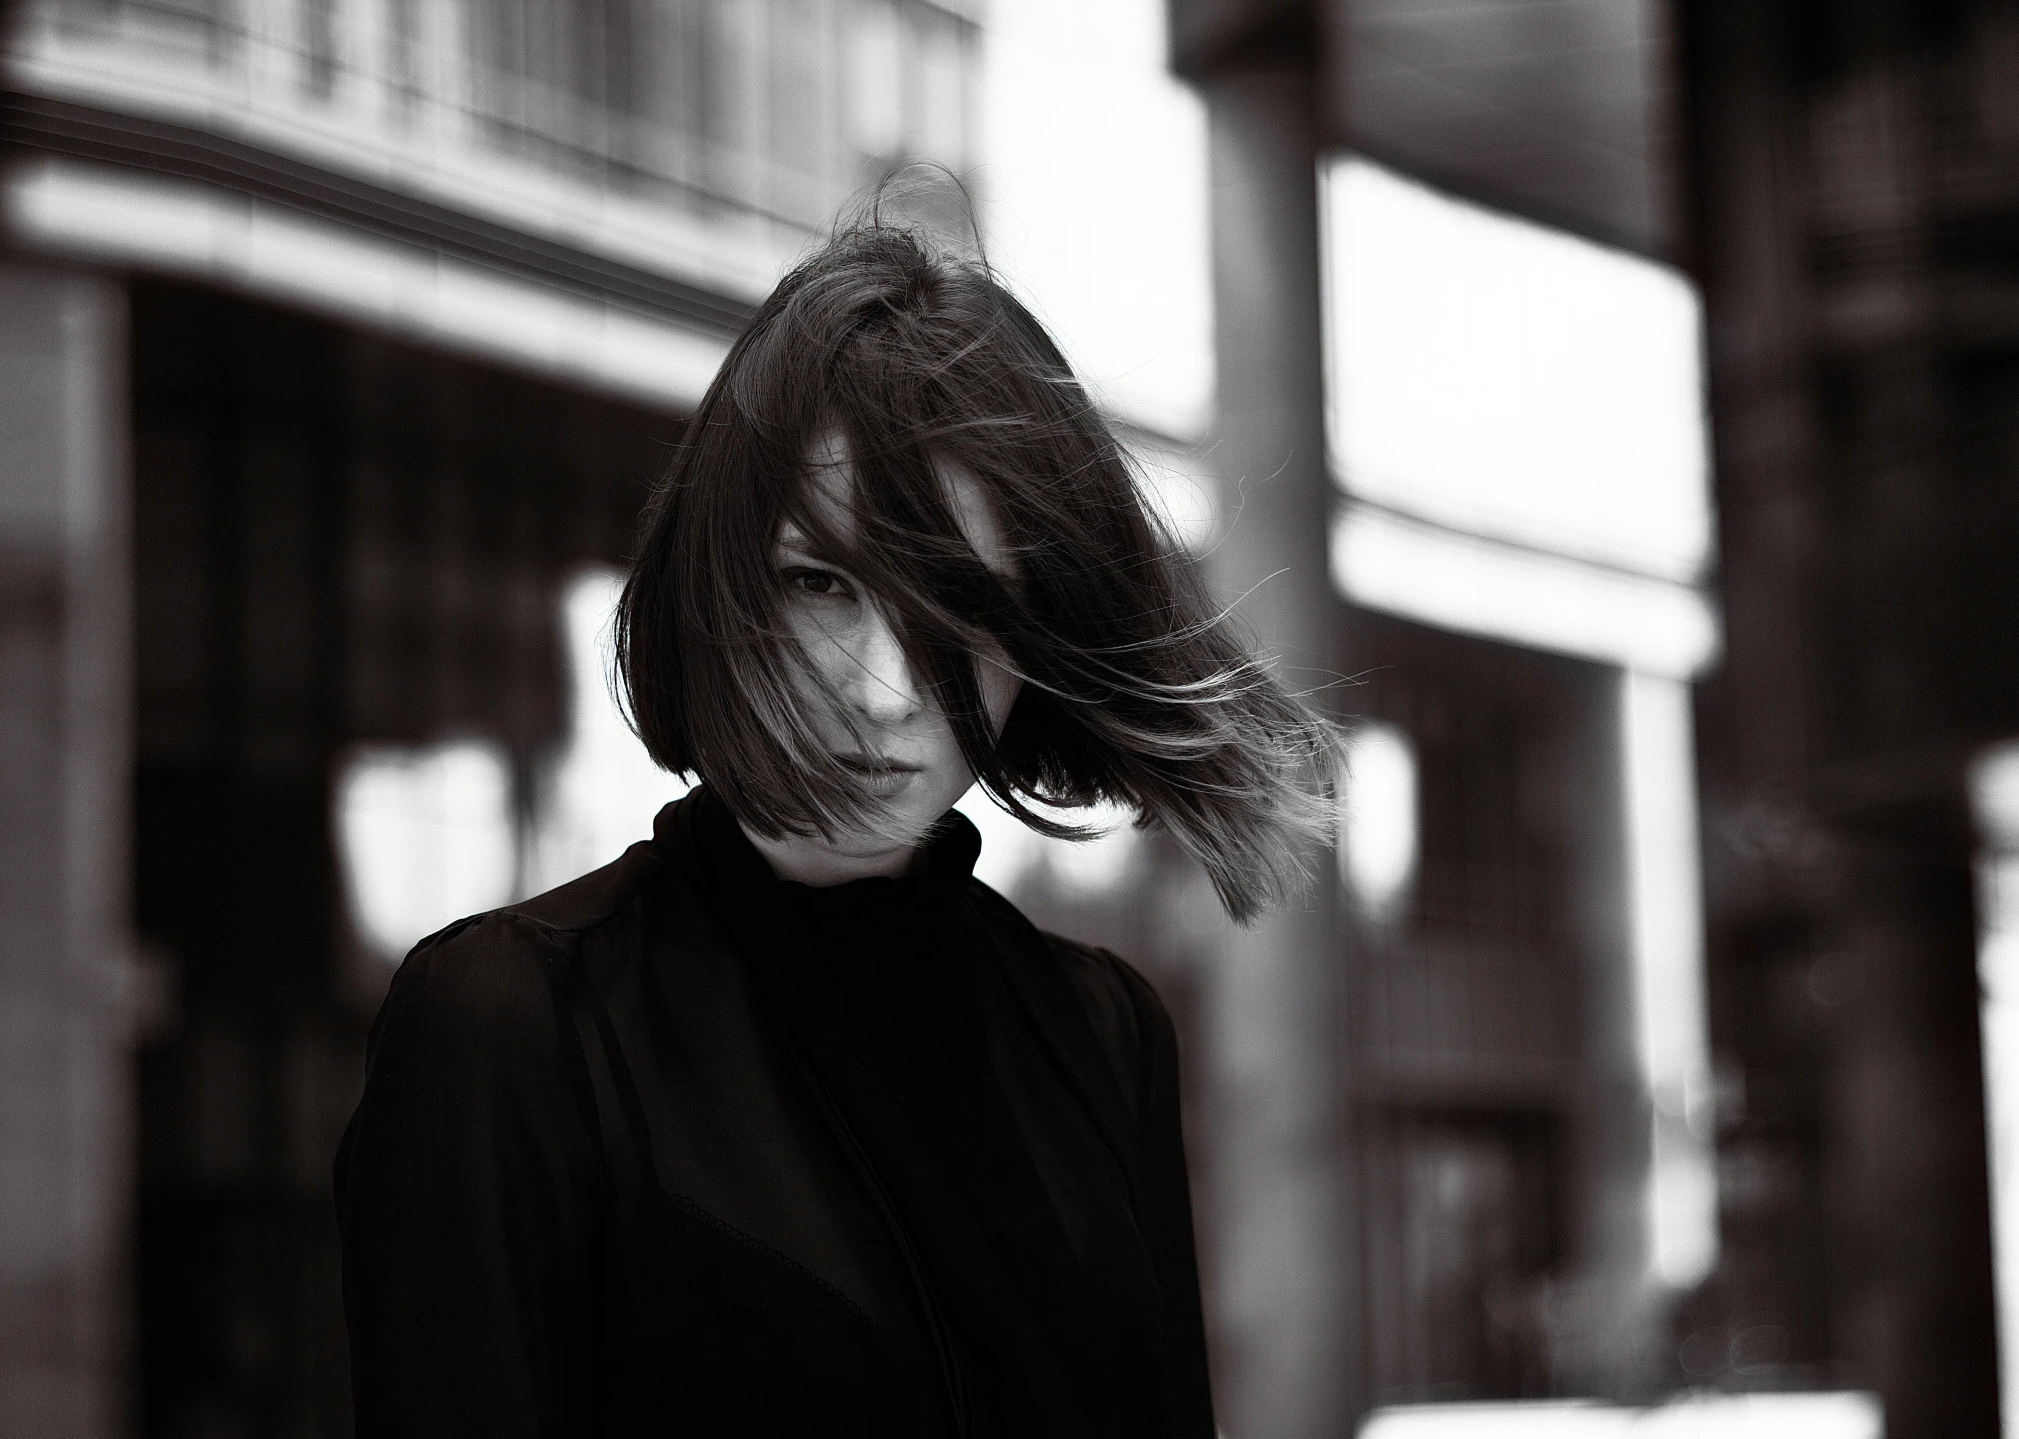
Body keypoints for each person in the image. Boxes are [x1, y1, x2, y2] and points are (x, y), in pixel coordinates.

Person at [334, 223, 1341, 1438]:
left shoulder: (1099, 1030)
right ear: (725, 586)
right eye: (823, 581)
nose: (883, 689)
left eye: (966, 608)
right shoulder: (511, 1030)